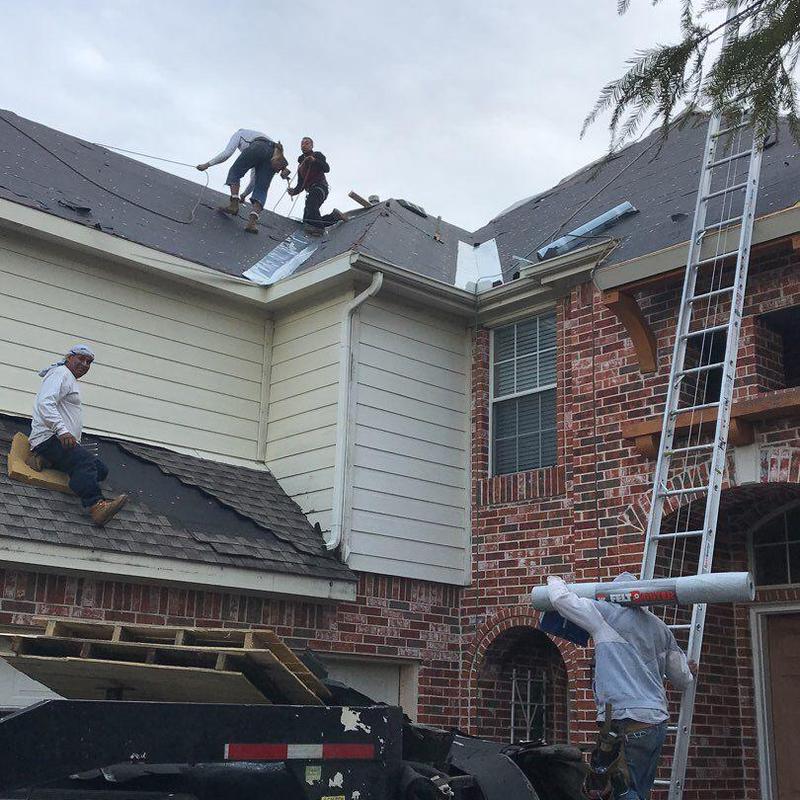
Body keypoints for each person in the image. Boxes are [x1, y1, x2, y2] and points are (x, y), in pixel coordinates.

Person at [547, 573, 697, 800]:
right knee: (639, 791)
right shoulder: (660, 628)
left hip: (626, 722)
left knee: (622, 792)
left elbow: (561, 600)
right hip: (655, 722)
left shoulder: (606, 614)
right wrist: (689, 668)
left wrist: (555, 580)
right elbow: (682, 679)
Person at [27, 345, 128, 527]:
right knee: (84, 463)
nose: (85, 364)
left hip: (58, 440)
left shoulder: (68, 378)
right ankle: (96, 506)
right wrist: (62, 430)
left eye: (89, 362)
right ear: (68, 358)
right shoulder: (61, 373)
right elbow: (45, 403)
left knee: (101, 470)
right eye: (81, 358)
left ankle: (45, 460)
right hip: (50, 438)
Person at [197, 129, 289, 234]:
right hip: (273, 156)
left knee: (235, 172)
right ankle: (252, 222)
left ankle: (234, 205)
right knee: (262, 188)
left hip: (259, 146)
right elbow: (254, 181)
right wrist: (244, 195)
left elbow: (227, 154)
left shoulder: (240, 133)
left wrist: (207, 165)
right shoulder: (269, 146)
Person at [286, 137, 347, 234]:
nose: (304, 145)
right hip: (311, 190)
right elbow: (301, 184)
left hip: (320, 187)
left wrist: (314, 160)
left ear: (311, 146)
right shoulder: (301, 166)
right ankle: (333, 217)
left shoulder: (317, 155)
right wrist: (293, 191)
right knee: (307, 222)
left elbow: (326, 168)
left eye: (307, 143)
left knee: (311, 205)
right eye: (302, 143)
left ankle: (319, 229)